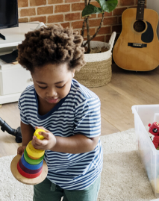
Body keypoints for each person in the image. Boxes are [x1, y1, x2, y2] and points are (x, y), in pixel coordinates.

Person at [16, 25, 103, 201]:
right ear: (31, 74)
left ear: (73, 70)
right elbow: (26, 122)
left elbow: (89, 141)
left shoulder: (85, 102)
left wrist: (54, 143)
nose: (51, 93)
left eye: (60, 85)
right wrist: (26, 144)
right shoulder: (26, 98)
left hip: (81, 176)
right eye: (41, 85)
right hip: (45, 172)